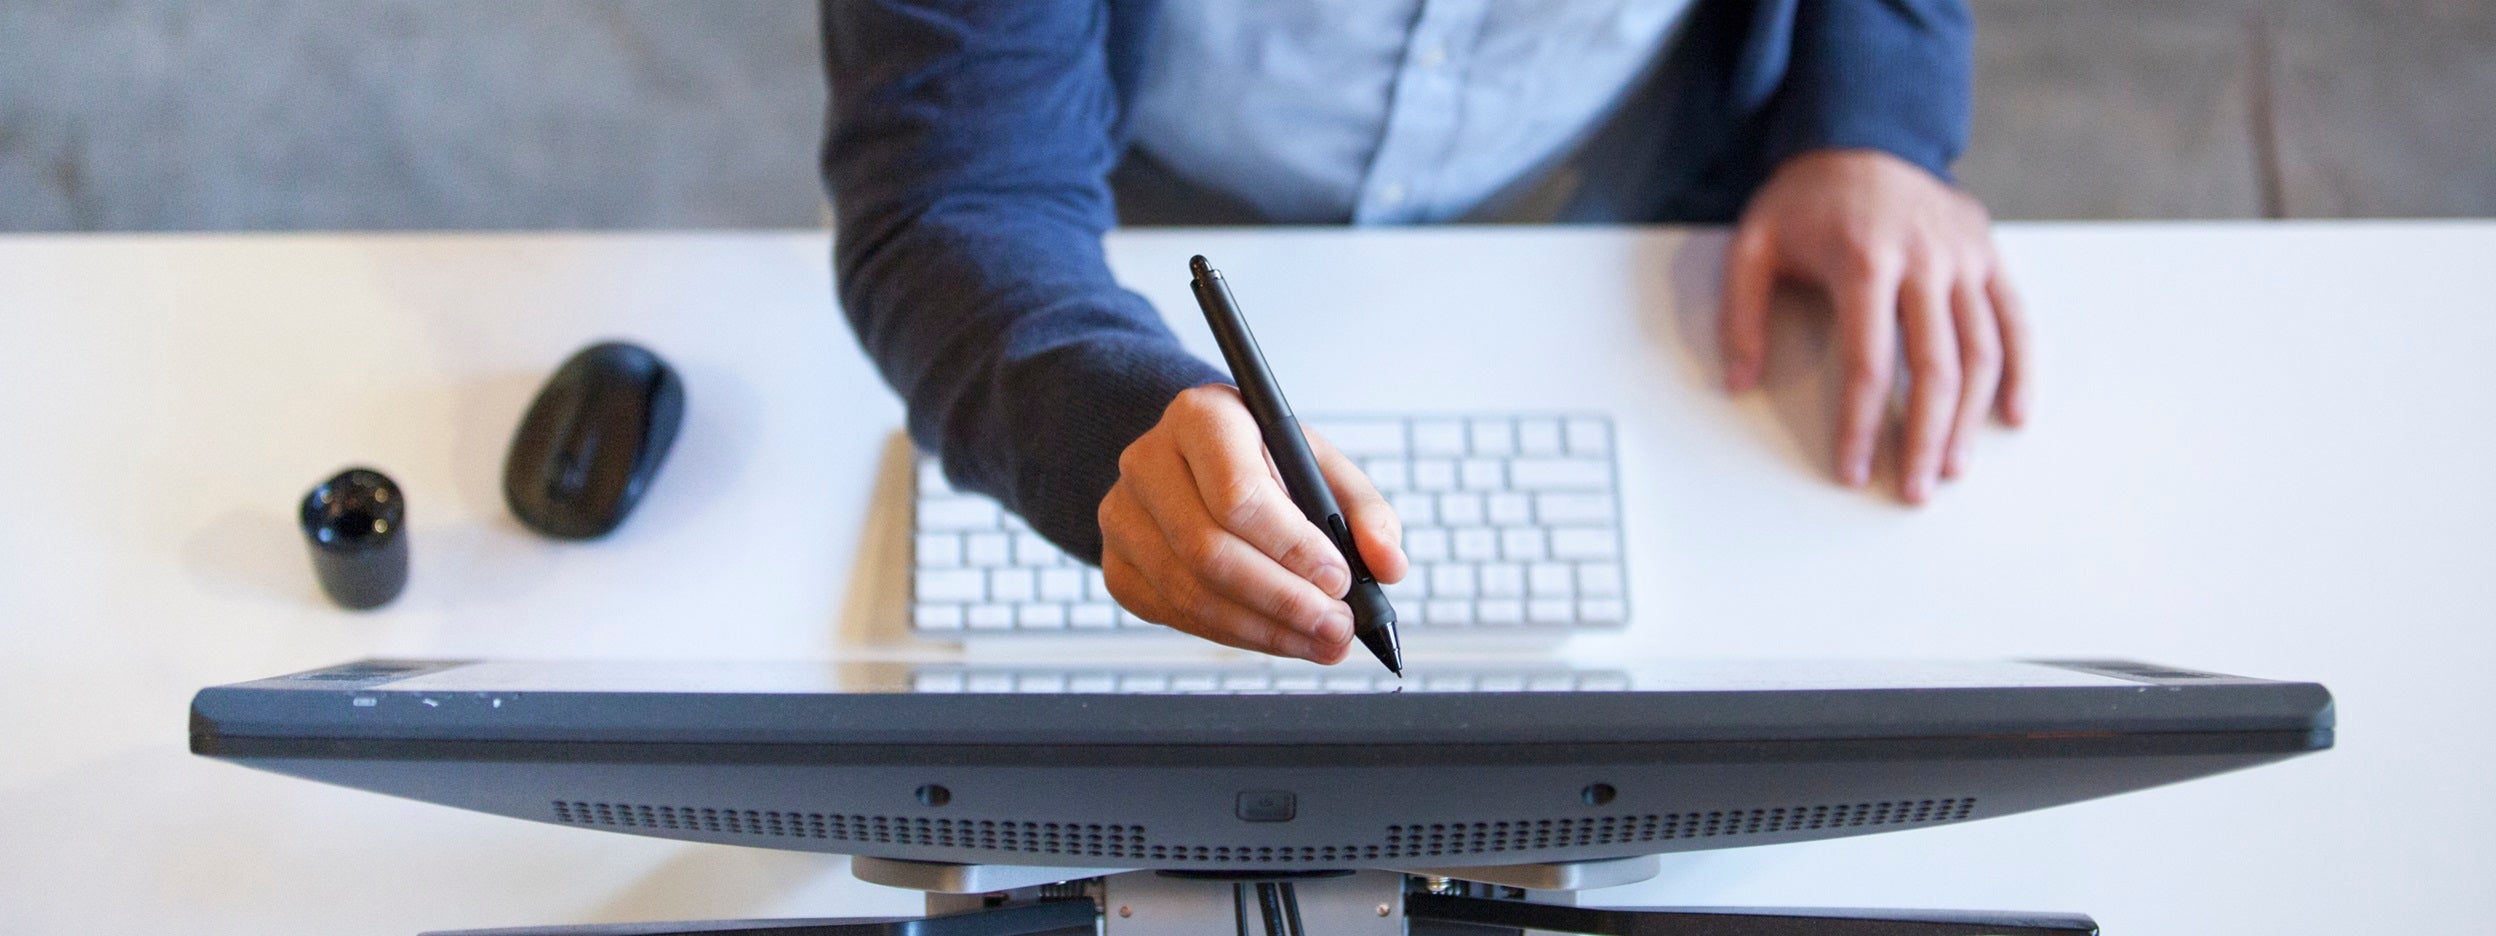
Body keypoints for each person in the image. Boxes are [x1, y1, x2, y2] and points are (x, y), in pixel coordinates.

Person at [822, 0, 2031, 665]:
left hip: (1606, 171)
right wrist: (1117, 422)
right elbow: (959, 197)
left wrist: (1870, 120)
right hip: (1146, 176)